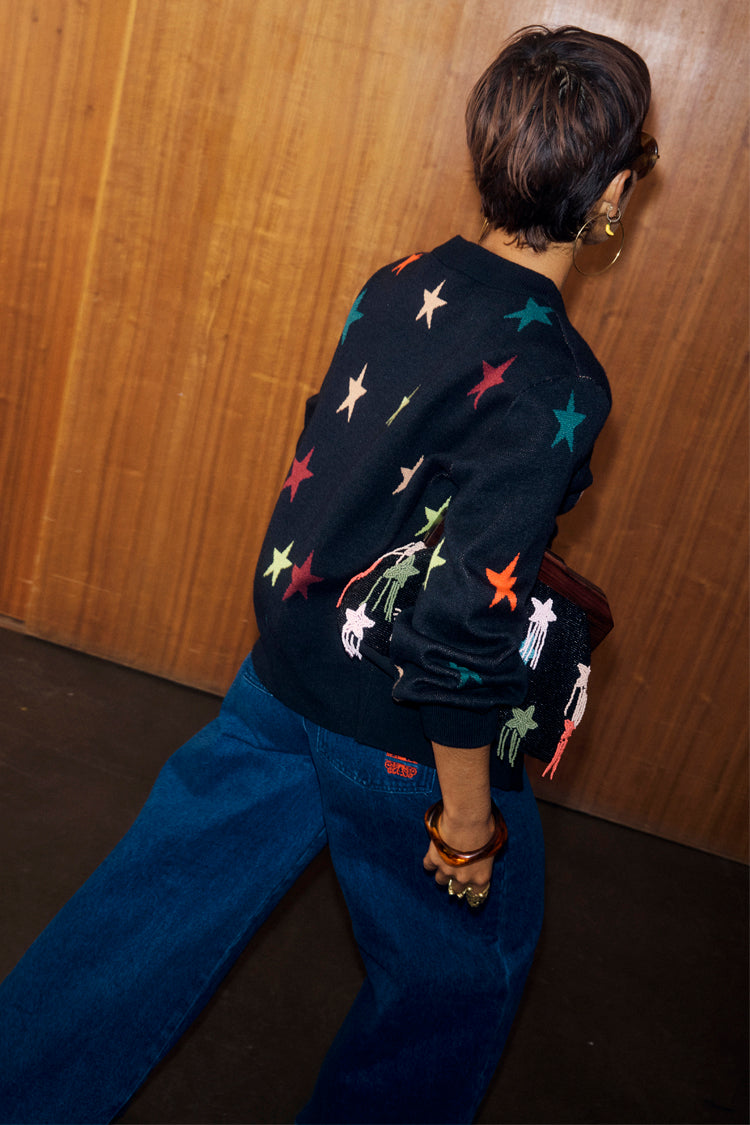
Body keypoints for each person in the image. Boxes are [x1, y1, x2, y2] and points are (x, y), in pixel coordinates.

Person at [0, 24, 656, 1125]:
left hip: (282, 676)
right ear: (613, 193)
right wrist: (464, 823)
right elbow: (461, 622)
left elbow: (336, 470)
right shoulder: (558, 376)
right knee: (461, 977)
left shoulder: (398, 283)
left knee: (146, 911)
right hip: (403, 735)